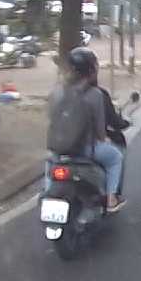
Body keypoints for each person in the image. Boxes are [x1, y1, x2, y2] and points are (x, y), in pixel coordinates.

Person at [47, 47, 126, 212]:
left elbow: (52, 119)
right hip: (86, 149)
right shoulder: (95, 94)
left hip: (59, 149)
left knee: (50, 162)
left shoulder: (57, 91)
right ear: (92, 70)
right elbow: (100, 132)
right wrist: (105, 139)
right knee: (115, 158)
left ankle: (47, 193)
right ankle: (111, 199)